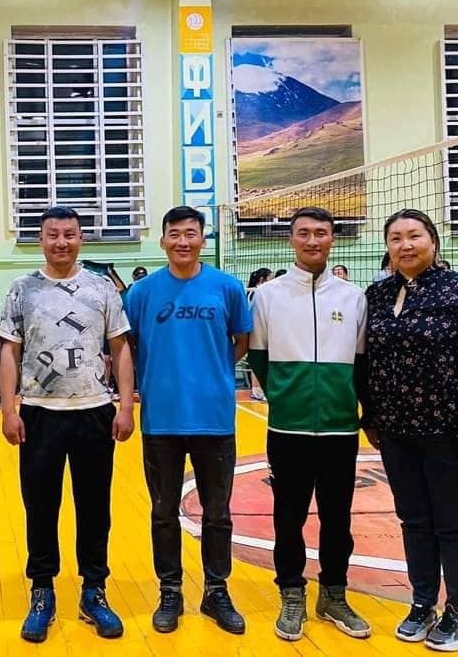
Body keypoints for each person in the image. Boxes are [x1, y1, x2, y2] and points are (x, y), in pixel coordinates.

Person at [364, 208, 458, 652]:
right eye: (396, 238)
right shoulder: (378, 294)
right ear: (387, 248)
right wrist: (371, 417)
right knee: (413, 520)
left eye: (414, 236)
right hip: (396, 431)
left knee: (453, 523)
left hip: (450, 431)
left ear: (433, 241)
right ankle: (422, 603)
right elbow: (369, 362)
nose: (405, 245)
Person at [0, 206, 135, 644]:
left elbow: (121, 347)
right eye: (53, 234)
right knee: (40, 506)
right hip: (39, 412)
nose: (61, 242)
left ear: (81, 239)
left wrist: (125, 405)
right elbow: (9, 352)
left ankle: (94, 590)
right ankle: (42, 591)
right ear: (40, 239)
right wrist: (9, 409)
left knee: (95, 507)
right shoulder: (23, 289)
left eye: (69, 234)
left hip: (94, 411)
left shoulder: (102, 288)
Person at [124, 206, 251, 635]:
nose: (183, 241)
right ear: (162, 240)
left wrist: (213, 372)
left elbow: (241, 340)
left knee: (218, 513)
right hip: (161, 420)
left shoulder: (227, 287)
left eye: (191, 233)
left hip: (214, 419)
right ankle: (170, 591)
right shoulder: (141, 293)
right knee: (163, 511)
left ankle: (216, 590)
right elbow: (129, 346)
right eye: (175, 234)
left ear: (202, 238)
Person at [248, 206, 370, 643]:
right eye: (304, 233)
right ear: (291, 239)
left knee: (338, 518)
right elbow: (258, 358)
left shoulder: (353, 297)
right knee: (289, 516)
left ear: (332, 239)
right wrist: (284, 396)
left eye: (321, 233)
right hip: (288, 428)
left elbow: (361, 362)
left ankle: (334, 594)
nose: (312, 240)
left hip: (340, 428)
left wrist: (352, 404)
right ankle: (292, 592)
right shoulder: (268, 296)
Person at [245, 268, 273, 402]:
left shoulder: (253, 292)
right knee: (259, 358)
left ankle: (257, 390)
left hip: (254, 329)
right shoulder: (259, 293)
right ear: (262, 279)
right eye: (270, 278)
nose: (273, 280)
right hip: (256, 329)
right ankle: (257, 390)